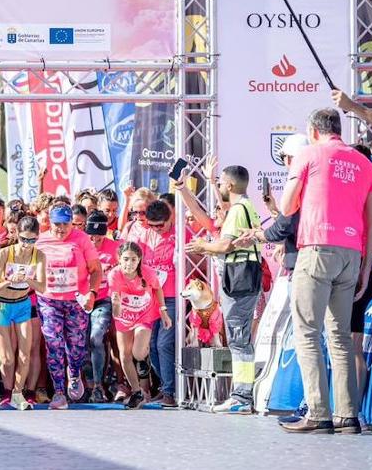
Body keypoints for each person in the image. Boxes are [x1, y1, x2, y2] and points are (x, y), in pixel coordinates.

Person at [278, 107, 372, 434]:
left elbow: (286, 206)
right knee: (340, 336)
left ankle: (318, 413)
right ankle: (347, 415)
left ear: (314, 130)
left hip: (317, 247)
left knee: (307, 331)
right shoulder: (365, 164)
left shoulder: (309, 154)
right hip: (352, 253)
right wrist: (366, 265)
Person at [187, 165, 263, 414]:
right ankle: (241, 394)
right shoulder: (245, 207)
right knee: (238, 339)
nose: (218, 188)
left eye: (220, 183)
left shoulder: (239, 210)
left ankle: (242, 396)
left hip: (240, 280)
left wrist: (203, 245)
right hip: (243, 279)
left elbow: (225, 246)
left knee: (239, 340)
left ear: (230, 185)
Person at [35, 204, 102, 409]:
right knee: (53, 342)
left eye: (66, 224)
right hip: (49, 300)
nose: (61, 229)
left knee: (76, 346)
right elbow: (32, 269)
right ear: (50, 222)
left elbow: (96, 270)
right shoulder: (41, 241)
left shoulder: (81, 239)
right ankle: (58, 392)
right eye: (57, 224)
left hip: (76, 300)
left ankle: (73, 373)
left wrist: (92, 293)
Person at [123, 199, 180, 407]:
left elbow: (197, 255)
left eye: (160, 225)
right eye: (152, 225)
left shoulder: (181, 232)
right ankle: (164, 386)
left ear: (170, 218)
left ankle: (170, 392)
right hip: (148, 297)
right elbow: (127, 254)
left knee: (164, 344)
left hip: (171, 296)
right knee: (150, 347)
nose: (156, 229)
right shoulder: (142, 234)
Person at [0, 216, 46, 410]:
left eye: (32, 240)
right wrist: (9, 279)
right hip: (1, 305)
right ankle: (6, 389)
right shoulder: (5, 253)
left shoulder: (38, 255)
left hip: (22, 304)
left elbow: (42, 286)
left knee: (25, 355)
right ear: (17, 235)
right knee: (7, 358)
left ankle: (17, 393)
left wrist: (27, 280)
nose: (27, 244)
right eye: (24, 239)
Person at [108, 242, 171, 408]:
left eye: (133, 259)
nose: (129, 263)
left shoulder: (147, 273)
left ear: (139, 260)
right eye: (126, 259)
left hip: (144, 314)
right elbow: (115, 312)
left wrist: (163, 311)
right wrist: (116, 304)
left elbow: (158, 289)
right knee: (124, 355)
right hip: (124, 316)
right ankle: (136, 391)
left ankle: (145, 357)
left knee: (138, 352)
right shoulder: (114, 275)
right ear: (119, 259)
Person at [83, 210, 119, 402]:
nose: (95, 239)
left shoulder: (115, 248)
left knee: (96, 338)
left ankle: (98, 386)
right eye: (91, 235)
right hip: (80, 299)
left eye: (99, 235)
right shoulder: (80, 246)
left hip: (103, 299)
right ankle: (84, 385)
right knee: (80, 343)